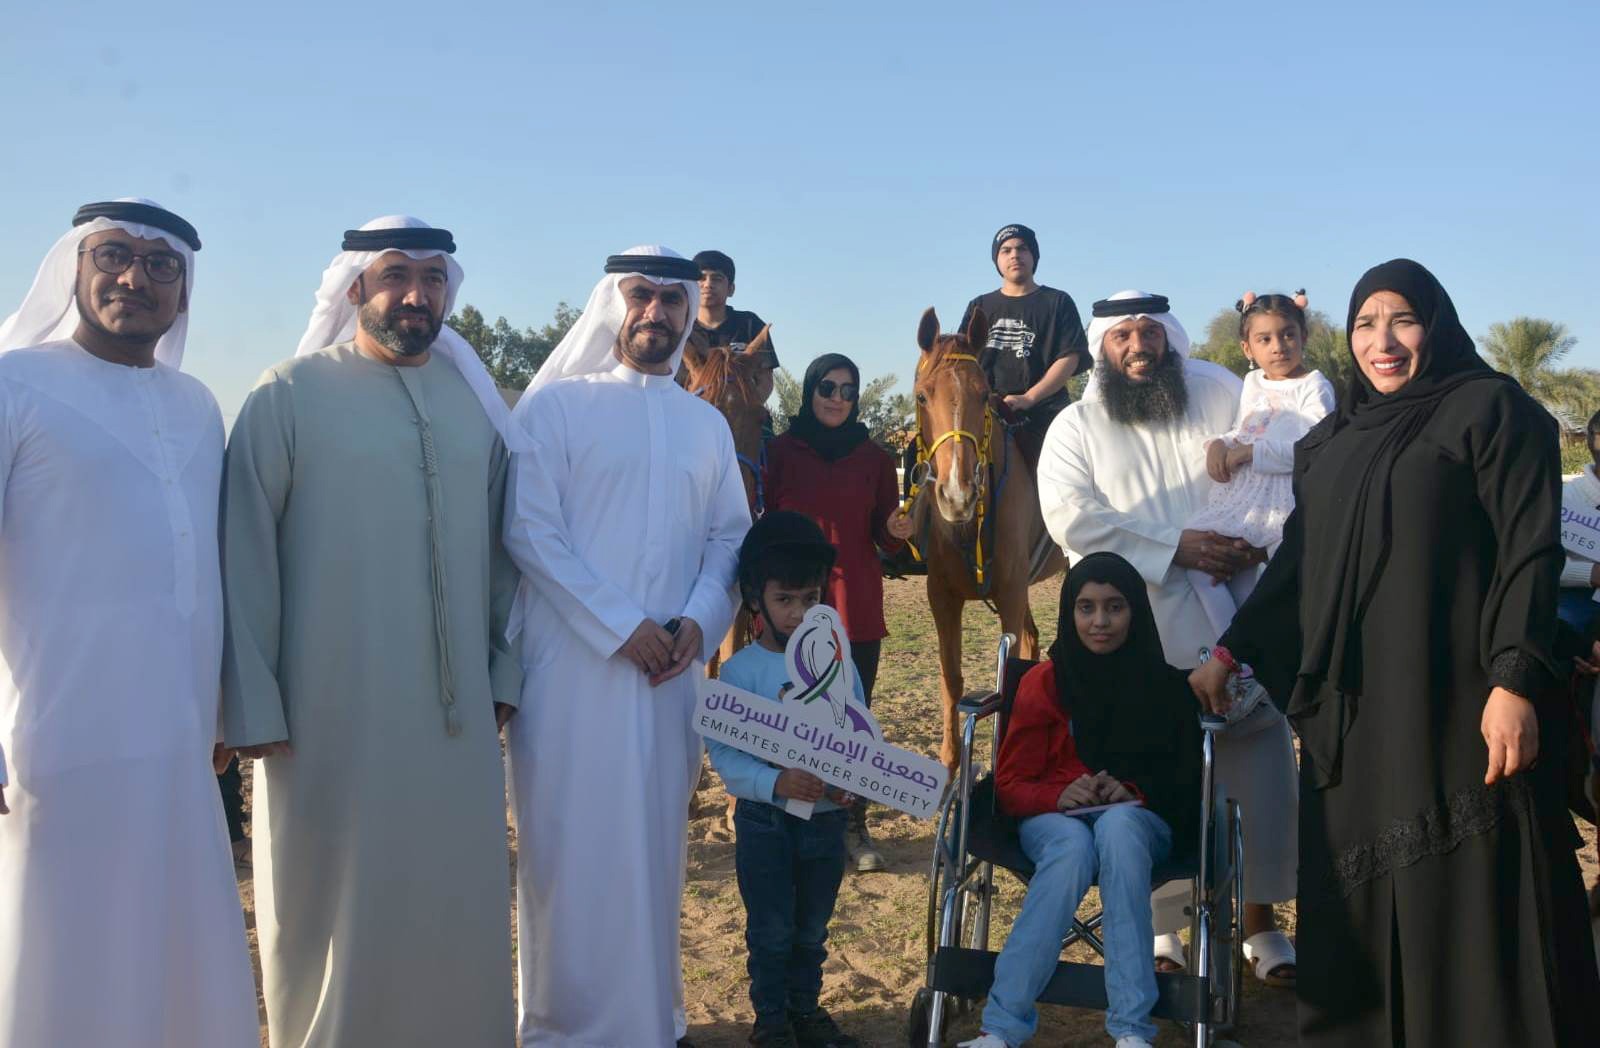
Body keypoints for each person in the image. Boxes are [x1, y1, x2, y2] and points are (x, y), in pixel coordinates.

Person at [1192, 258, 1600, 1046]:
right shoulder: (1333, 439)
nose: (1383, 341)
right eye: (1365, 323)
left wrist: (1515, 680)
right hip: (1359, 714)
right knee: (1362, 889)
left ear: (1436, 324)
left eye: (1402, 319)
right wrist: (1229, 652)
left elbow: (1529, 553)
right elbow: (1299, 562)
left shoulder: (1493, 411)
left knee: (1466, 885)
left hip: (1464, 704)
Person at [221, 216, 522, 1047]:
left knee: (453, 896)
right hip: (326, 714)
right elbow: (243, 551)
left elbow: (508, 556)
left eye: (432, 279)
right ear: (355, 285)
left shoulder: (474, 407)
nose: (415, 295)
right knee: (331, 906)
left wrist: (504, 674)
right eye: (395, 276)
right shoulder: (287, 394)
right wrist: (253, 701)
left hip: (456, 722)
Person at [0, 199, 257, 1047]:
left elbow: (204, 573)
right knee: (56, 945)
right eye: (112, 256)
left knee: (169, 944)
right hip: (54, 739)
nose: (133, 278)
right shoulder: (13, 385)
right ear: (74, 267)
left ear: (184, 290)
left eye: (160, 265)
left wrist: (219, 707)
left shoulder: (196, 404)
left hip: (177, 741)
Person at [504, 246, 750, 1047]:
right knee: (568, 850)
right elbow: (530, 532)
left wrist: (697, 622)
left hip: (670, 675)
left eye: (673, 299)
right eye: (642, 294)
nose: (656, 311)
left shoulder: (706, 424)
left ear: (689, 313)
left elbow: (729, 539)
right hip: (571, 673)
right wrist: (621, 626)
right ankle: (560, 1028)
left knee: (655, 850)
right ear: (614, 302)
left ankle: (653, 1021)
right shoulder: (555, 408)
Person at [1037, 290, 1297, 983]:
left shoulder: (1220, 392)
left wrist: (1256, 541)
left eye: (1149, 332)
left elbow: (1275, 461)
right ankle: (1164, 926)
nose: (1138, 346)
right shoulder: (1075, 425)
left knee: (1256, 768)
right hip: (1140, 627)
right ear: (1102, 347)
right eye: (1122, 336)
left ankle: (1262, 920)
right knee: (1157, 771)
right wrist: (1174, 546)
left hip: (1238, 614)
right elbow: (1071, 517)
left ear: (1170, 339)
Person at [959, 553, 1202, 1048]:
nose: (1100, 621)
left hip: (1140, 820)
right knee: (1071, 847)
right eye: (1086, 607)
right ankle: (1001, 1026)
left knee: (1118, 827)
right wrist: (1057, 795)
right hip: (1052, 819)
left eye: (1115, 607)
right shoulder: (1044, 683)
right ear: (1069, 611)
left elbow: (1182, 782)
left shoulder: (1163, 687)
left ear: (1136, 611)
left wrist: (1134, 791)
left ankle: (1131, 1029)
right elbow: (1010, 784)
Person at [706, 511, 864, 1048]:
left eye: (811, 598)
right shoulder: (738, 673)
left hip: (825, 821)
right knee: (771, 930)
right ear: (756, 599)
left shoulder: (841, 667)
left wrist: (850, 782)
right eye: (785, 599)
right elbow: (725, 757)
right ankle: (771, 1019)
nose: (799, 613)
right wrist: (774, 784)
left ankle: (806, 1011)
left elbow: (859, 738)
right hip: (764, 823)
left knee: (813, 929)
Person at [766, 352, 914, 870]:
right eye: (827, 387)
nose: (837, 398)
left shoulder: (875, 459)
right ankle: (789, 820)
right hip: (790, 605)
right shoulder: (780, 452)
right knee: (786, 712)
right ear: (810, 390)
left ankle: (852, 824)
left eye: (848, 391)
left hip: (854, 604)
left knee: (852, 715)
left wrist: (894, 533)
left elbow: (885, 537)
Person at [1184, 290, 1335, 636]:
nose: (1278, 347)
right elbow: (1247, 429)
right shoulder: (1253, 382)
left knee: (1267, 580)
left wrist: (1251, 454)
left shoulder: (1314, 387)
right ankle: (1235, 651)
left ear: (1304, 337)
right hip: (1244, 497)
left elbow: (1316, 448)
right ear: (1247, 349)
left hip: (1283, 498)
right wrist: (1219, 444)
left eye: (1287, 335)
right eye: (1265, 339)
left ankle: (1252, 652)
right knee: (1208, 570)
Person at [958, 224, 1091, 468]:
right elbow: (963, 360)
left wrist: (1029, 397)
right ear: (997, 260)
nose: (1015, 255)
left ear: (1034, 256)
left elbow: (1070, 357)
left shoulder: (1058, 302)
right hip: (987, 414)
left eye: (1022, 249)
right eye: (1006, 250)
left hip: (1044, 415)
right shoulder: (979, 306)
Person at [694, 249, 779, 410]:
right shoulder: (680, 328)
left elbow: (765, 380)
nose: (708, 284)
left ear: (731, 289)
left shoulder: (750, 324)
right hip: (688, 414)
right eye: (701, 278)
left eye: (717, 279)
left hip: (742, 414)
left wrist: (743, 410)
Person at [1559, 408, 1600, 634]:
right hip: (1577, 602)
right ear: (1590, 440)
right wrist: (1591, 573)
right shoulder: (1564, 499)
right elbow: (1538, 565)